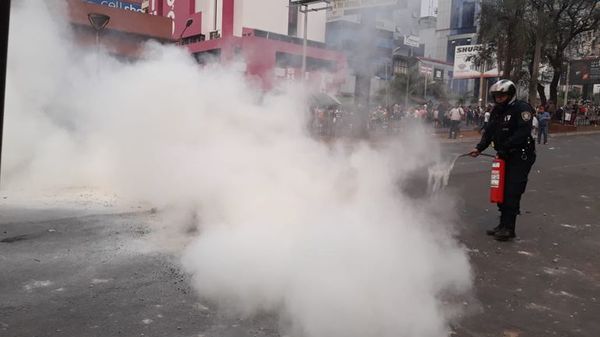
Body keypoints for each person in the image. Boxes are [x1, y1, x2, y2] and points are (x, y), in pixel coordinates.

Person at [468, 79, 536, 241]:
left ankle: (509, 228)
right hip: (504, 155)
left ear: (510, 94)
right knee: (500, 189)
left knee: (512, 191)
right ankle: (502, 224)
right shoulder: (497, 111)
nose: (499, 99)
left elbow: (523, 132)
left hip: (520, 155)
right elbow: (489, 132)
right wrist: (479, 148)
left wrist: (505, 147)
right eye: (496, 96)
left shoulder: (521, 108)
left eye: (502, 95)